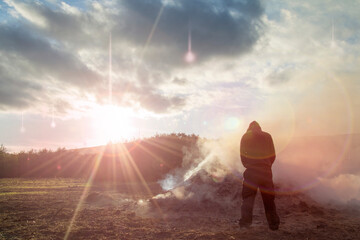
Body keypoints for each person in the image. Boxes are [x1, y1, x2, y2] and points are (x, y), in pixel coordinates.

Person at [239, 121, 280, 230]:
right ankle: (274, 225)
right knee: (269, 200)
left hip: (251, 172)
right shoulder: (268, 136)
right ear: (259, 127)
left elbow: (242, 156)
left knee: (248, 199)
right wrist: (266, 166)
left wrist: (248, 165)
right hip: (266, 172)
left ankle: (245, 224)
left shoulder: (245, 136)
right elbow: (273, 155)